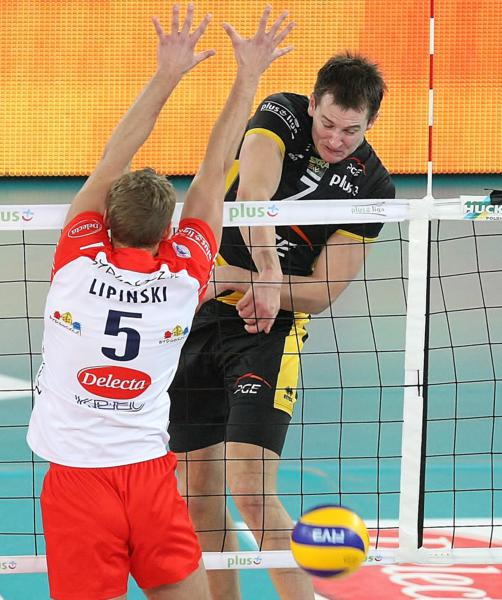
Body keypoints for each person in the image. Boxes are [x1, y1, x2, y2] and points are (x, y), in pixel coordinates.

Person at [26, 5, 294, 600]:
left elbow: (112, 159)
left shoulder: (76, 263)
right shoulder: (182, 280)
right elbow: (213, 171)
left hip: (77, 482)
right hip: (150, 479)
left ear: (105, 223)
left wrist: (167, 72)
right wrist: (248, 75)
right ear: (166, 232)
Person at [168, 52, 395, 599]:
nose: (336, 139)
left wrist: (244, 278)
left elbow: (322, 291)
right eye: (328, 123)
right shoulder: (281, 115)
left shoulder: (373, 186)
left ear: (370, 124)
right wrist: (267, 272)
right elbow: (253, 196)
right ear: (313, 104)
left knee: (251, 493)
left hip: (271, 330)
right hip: (197, 314)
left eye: (351, 131)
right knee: (196, 495)